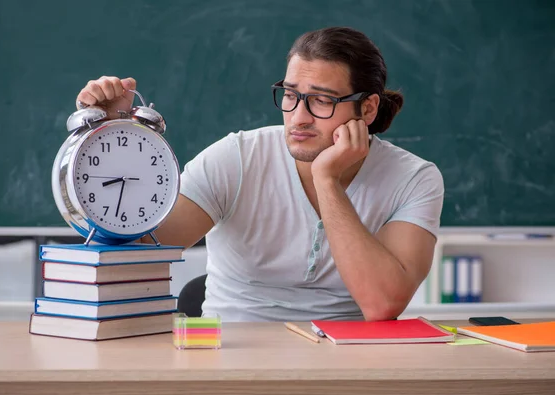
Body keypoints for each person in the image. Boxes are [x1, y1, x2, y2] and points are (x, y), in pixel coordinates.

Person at [75, 27, 444, 322]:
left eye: (321, 100)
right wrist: (111, 136)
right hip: (233, 358)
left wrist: (327, 180)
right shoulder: (237, 158)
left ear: (367, 109)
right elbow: (137, 252)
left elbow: (381, 305)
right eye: (290, 94)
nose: (298, 116)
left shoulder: (414, 179)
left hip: (343, 366)